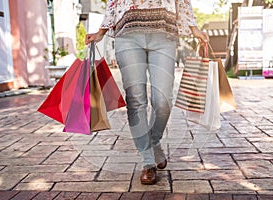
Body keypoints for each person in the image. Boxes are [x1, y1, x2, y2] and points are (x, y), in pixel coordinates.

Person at [85, 0, 209, 185]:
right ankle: (148, 161)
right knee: (136, 100)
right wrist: (101, 32)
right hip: (128, 35)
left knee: (163, 100)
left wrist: (194, 29)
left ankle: (154, 141)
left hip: (164, 34)